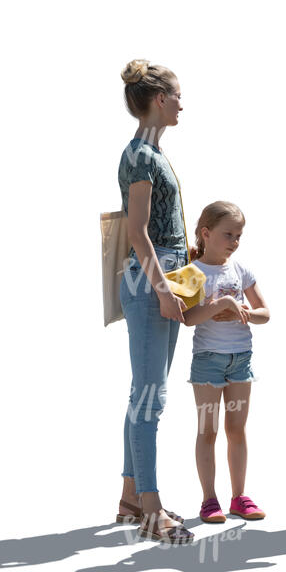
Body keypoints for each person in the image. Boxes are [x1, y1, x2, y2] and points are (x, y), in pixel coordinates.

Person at [116, 59, 194, 544]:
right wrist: (165, 290)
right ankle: (150, 509)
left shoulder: (151, 153)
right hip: (151, 279)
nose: (184, 103)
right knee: (151, 398)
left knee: (142, 393)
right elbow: (137, 232)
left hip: (160, 274)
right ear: (160, 99)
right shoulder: (141, 157)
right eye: (179, 95)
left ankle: (130, 499)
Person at [182, 201, 270, 523]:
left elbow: (265, 313)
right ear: (206, 233)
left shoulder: (241, 270)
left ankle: (239, 497)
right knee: (208, 431)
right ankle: (209, 500)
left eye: (239, 236)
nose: (234, 241)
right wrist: (223, 304)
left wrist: (245, 313)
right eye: (228, 234)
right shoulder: (193, 272)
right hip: (207, 361)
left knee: (237, 429)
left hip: (240, 360)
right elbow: (188, 318)